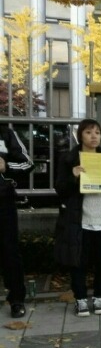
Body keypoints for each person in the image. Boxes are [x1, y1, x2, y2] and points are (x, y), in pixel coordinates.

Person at [54, 119, 101, 316]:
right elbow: (60, 189)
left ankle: (99, 297)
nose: (94, 136)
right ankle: (81, 299)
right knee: (78, 262)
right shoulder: (69, 159)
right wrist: (73, 176)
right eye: (89, 132)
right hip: (79, 220)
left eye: (97, 133)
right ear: (80, 135)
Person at [0, 124, 33, 318]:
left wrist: (6, 165)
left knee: (9, 251)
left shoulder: (5, 133)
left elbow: (27, 163)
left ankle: (16, 299)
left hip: (3, 201)